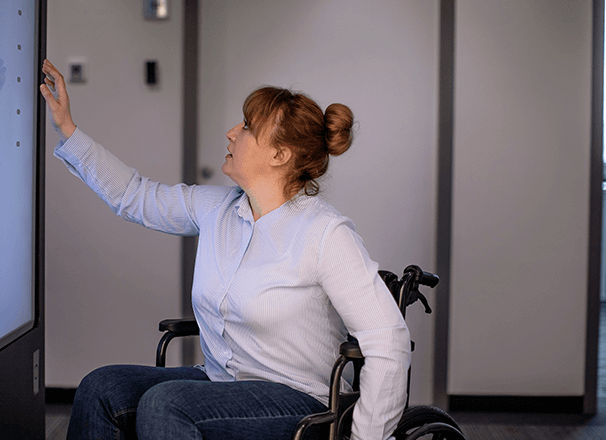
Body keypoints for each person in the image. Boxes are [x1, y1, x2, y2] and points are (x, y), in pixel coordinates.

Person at [40, 59, 411, 440]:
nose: (232, 133)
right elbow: (136, 196)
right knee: (102, 388)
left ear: (280, 155)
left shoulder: (326, 234)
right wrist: (68, 129)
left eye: (248, 127)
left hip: (300, 401)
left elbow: (388, 342)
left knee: (166, 404)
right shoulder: (217, 208)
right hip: (221, 383)